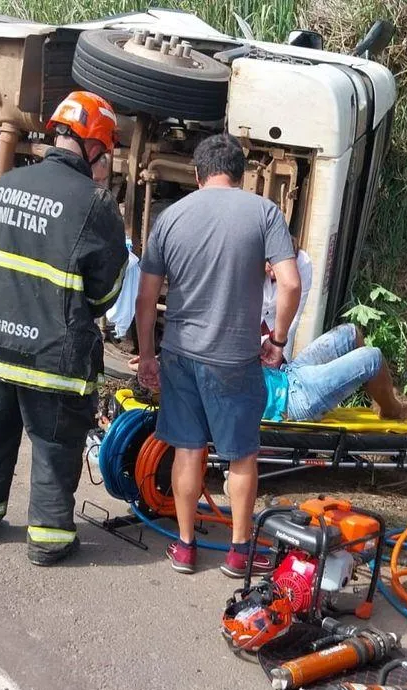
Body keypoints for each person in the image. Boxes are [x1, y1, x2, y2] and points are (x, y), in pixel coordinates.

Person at [0, 91, 129, 566]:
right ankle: (48, 541)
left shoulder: (6, 185)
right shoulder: (94, 203)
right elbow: (106, 294)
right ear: (95, 147)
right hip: (50, 359)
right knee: (54, 447)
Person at [134, 132, 302, 577]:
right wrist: (279, 340)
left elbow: (146, 299)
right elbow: (290, 283)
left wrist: (148, 354)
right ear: (241, 176)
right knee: (242, 455)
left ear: (196, 173)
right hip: (234, 358)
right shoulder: (263, 212)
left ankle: (186, 547)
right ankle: (239, 552)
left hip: (181, 354)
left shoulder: (170, 217)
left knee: (189, 451)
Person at [260, 323, 407, 423]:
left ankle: (380, 395)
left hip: (284, 375)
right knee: (372, 357)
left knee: (350, 333)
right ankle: (392, 410)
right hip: (289, 401)